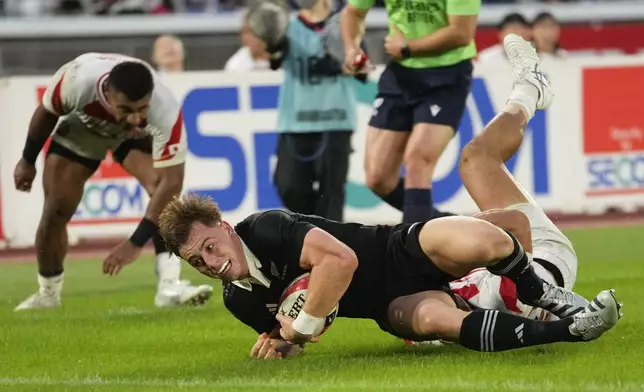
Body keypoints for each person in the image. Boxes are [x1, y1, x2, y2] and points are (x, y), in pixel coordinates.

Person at [405, 34, 584, 345]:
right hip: (543, 252)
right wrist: (451, 231)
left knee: (476, 162)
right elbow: (516, 225)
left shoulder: (454, 310)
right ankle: (529, 88)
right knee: (476, 160)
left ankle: (530, 88)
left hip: (538, 277)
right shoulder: (506, 297)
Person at [13, 52, 213, 311]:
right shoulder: (77, 80)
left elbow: (173, 183)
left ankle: (169, 285)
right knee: (55, 211)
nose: (134, 117)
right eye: (126, 109)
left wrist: (134, 243)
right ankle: (48, 294)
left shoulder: (164, 107)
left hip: (131, 138)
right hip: (83, 130)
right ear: (106, 91)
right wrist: (27, 160)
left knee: (161, 190)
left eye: (142, 109)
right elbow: (47, 113)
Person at [340, 0, 479, 223]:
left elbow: (461, 33)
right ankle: (446, 224)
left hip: (446, 76)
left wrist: (409, 47)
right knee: (378, 178)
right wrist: (351, 50)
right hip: (400, 73)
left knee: (418, 160)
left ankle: (413, 252)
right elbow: (353, 13)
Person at [259, 0, 366, 221]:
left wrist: (342, 65)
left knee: (331, 193)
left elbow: (363, 68)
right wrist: (272, 45)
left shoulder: (345, 23)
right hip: (296, 120)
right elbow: (275, 60)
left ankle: (330, 242)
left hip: (335, 119)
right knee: (288, 185)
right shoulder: (286, 25)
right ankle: (314, 226)